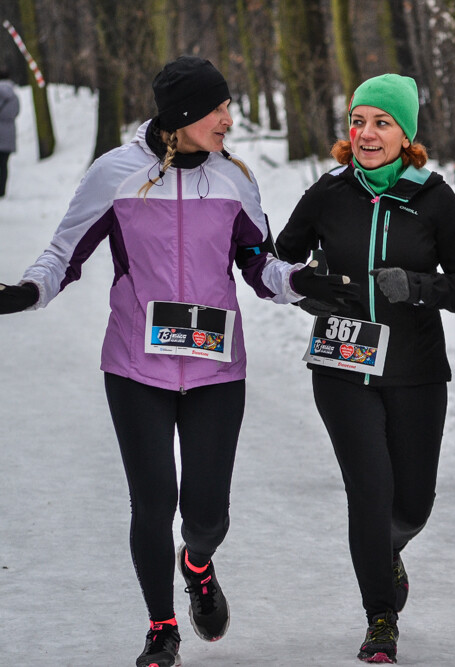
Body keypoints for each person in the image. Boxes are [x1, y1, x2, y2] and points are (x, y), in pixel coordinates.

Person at [0, 56, 358, 667]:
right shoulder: (115, 174)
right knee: (152, 501)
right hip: (135, 365)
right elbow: (65, 249)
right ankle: (161, 627)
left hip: (218, 368)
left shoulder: (235, 179)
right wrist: (29, 290)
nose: (229, 118)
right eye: (218, 108)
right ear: (184, 115)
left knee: (207, 514)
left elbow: (258, 265)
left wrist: (300, 282)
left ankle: (197, 563)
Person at [275, 73, 455, 664]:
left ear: (405, 133)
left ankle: (387, 548)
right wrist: (304, 290)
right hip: (342, 365)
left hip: (415, 369)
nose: (366, 133)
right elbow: (277, 262)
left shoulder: (434, 197)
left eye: (381, 122)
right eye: (358, 121)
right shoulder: (327, 192)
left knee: (411, 504)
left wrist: (418, 287)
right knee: (369, 492)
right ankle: (380, 618)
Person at [0, 64, 20, 197]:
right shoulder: (14, 95)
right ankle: (2, 190)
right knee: (4, 165)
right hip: (9, 135)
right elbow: (16, 112)